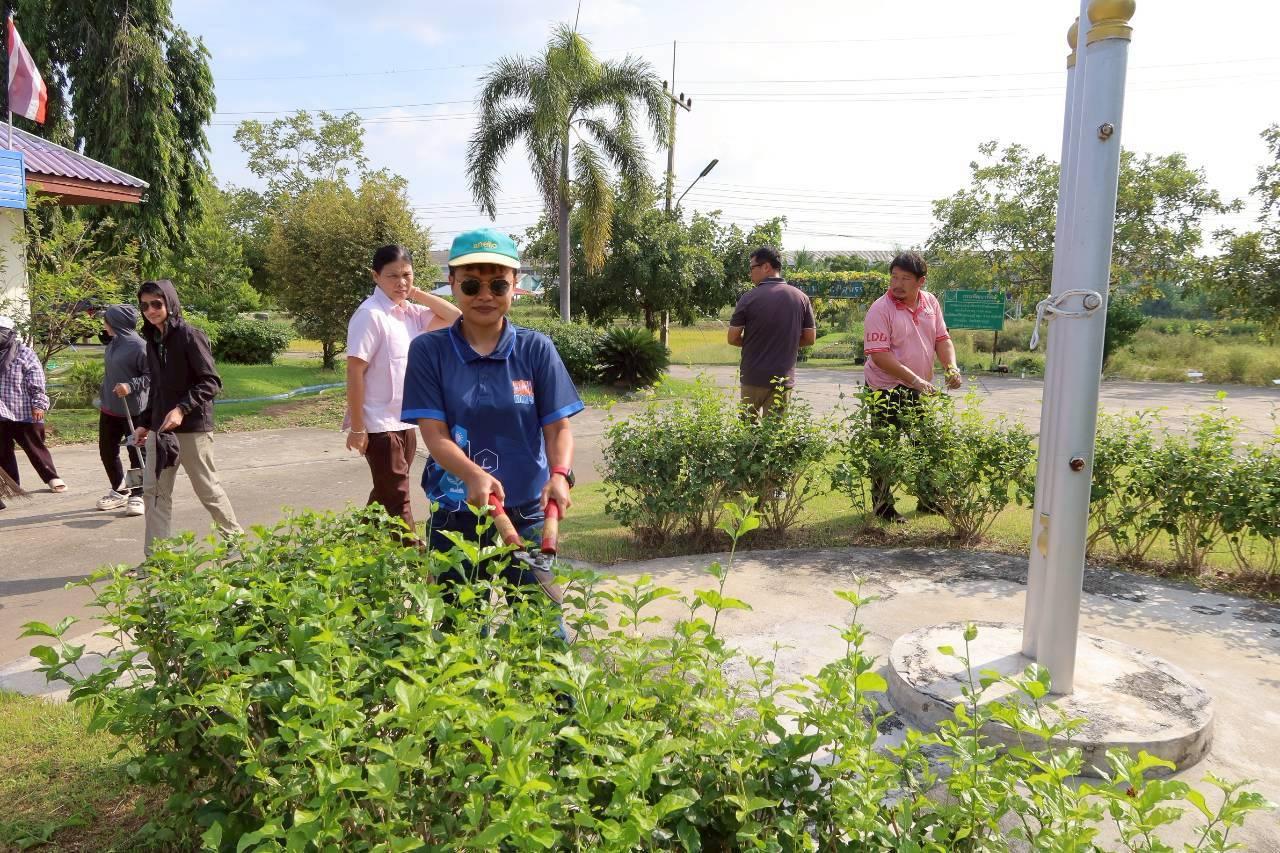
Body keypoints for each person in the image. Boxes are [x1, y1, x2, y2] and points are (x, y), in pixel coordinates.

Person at [401, 228, 582, 604]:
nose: (485, 296)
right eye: (471, 286)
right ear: (451, 283)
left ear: (514, 286)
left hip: (528, 508)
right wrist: (472, 475)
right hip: (456, 511)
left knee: (541, 620)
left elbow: (558, 428)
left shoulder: (536, 349)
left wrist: (560, 475)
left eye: (498, 286)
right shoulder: (428, 351)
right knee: (460, 631)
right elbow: (435, 436)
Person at [344, 245, 461, 541]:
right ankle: (416, 562)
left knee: (384, 494)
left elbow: (456, 316)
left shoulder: (411, 313)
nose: (401, 283)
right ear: (375, 276)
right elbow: (355, 371)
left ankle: (354, 546)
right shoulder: (370, 315)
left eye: (407, 275)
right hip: (379, 424)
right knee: (398, 500)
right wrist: (358, 428)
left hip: (406, 421)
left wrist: (417, 294)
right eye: (392, 276)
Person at [132, 280, 242, 556]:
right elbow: (156, 388)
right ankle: (157, 557)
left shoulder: (190, 336)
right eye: (145, 305)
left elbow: (211, 382)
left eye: (157, 303)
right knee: (154, 491)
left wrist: (181, 409)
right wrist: (145, 422)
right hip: (161, 429)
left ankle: (236, 541)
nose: (151, 310)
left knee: (206, 487)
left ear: (170, 303)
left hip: (193, 428)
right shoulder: (151, 342)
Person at [861, 251, 962, 523]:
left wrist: (950, 366)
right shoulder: (880, 309)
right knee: (885, 448)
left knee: (925, 443)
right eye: (894, 276)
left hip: (918, 387)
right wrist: (915, 380)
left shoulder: (930, 303)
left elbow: (942, 338)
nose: (898, 283)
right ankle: (883, 507)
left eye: (906, 278)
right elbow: (879, 355)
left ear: (921, 281)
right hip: (885, 388)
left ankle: (929, 501)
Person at [727, 246, 817, 416]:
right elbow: (810, 338)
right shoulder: (801, 298)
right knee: (775, 435)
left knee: (747, 431)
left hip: (753, 378)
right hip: (782, 379)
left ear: (766, 267)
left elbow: (732, 338)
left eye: (752, 267)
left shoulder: (749, 298)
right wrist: (783, 344)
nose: (750, 273)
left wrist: (756, 343)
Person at [0, 314, 66, 507]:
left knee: (35, 446)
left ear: (9, 334)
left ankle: (51, 477)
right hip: (1, 411)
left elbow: (36, 381)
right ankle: (11, 485)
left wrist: (39, 404)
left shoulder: (24, 353)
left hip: (24, 411)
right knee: (2, 451)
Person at [96, 305, 150, 516]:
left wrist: (130, 385)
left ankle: (138, 494)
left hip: (134, 410)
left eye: (106, 320)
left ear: (116, 322)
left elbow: (152, 375)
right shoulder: (114, 342)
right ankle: (119, 489)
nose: (104, 324)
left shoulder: (140, 346)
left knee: (136, 452)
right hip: (110, 408)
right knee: (107, 451)